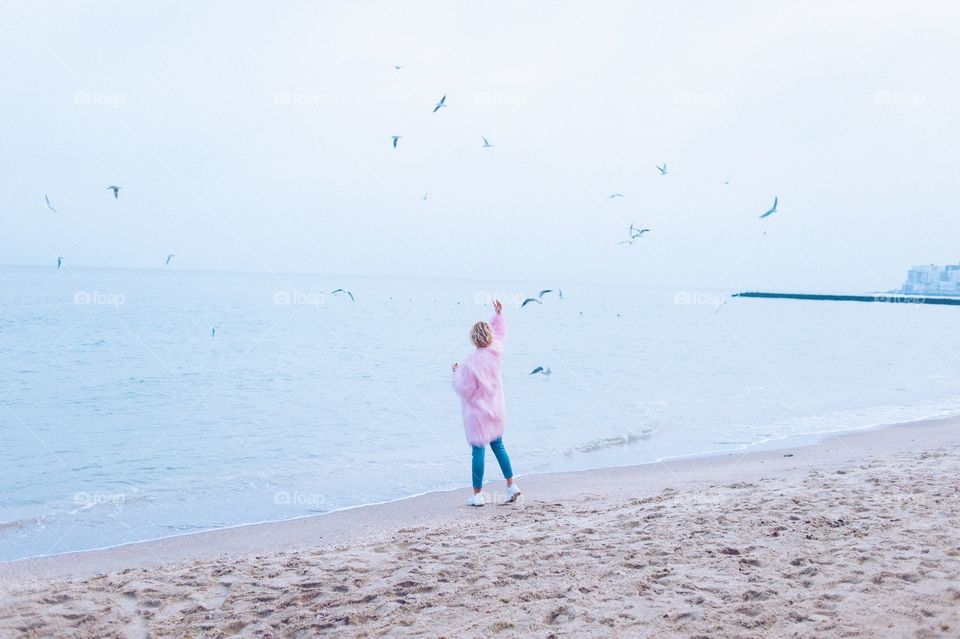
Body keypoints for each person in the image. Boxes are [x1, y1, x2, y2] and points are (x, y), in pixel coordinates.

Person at [451, 299, 521, 507]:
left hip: (478, 414)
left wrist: (456, 372)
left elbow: (464, 389)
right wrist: (498, 315)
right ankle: (511, 485)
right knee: (498, 446)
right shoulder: (496, 351)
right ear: (489, 336)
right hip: (496, 408)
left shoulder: (471, 363)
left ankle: (478, 494)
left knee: (478, 451)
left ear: (474, 339)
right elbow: (500, 333)